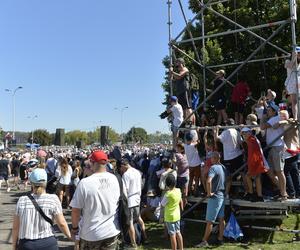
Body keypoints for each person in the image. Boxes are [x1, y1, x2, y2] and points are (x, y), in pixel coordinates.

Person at [70, 150, 120, 250]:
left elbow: (76, 210)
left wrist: (74, 229)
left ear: (92, 163)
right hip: (111, 231)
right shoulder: (115, 179)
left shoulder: (85, 183)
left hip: (91, 234)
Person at [12, 168, 71, 250]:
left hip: (26, 244)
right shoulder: (53, 199)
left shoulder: (22, 200)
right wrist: (70, 237)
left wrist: (14, 244)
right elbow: (62, 223)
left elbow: (16, 227)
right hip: (48, 243)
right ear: (46, 182)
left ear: (31, 183)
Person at [196, 152, 226, 248]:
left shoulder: (213, 168)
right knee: (221, 219)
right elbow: (229, 180)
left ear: (215, 158)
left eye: (211, 158)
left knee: (209, 221)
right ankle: (220, 239)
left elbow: (208, 181)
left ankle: (204, 241)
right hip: (222, 195)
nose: (210, 160)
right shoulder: (223, 168)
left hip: (215, 197)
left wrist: (208, 193)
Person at [260, 103, 288, 201]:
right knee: (269, 171)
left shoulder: (275, 118)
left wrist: (263, 117)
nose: (267, 111)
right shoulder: (274, 119)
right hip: (272, 147)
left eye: (268, 110)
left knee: (279, 171)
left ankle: (284, 194)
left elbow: (262, 127)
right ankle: (283, 190)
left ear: (274, 111)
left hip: (277, 147)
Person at [120, 158, 148, 248]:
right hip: (137, 198)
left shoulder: (126, 175)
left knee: (130, 222)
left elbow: (125, 190)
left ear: (123, 166)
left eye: (121, 168)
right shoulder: (137, 172)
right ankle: (145, 237)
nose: (121, 170)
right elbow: (140, 185)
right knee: (139, 218)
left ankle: (133, 242)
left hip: (130, 199)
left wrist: (124, 201)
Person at [214, 119, 243, 197]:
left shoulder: (225, 132)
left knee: (228, 176)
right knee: (242, 174)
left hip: (229, 157)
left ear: (226, 124)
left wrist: (216, 129)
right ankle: (247, 192)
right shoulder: (236, 132)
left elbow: (217, 139)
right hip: (238, 155)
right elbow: (241, 142)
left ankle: (226, 194)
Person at [241, 128, 269, 202]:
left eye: (245, 133)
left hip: (256, 161)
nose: (244, 135)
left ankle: (252, 193)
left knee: (250, 176)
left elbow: (255, 152)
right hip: (256, 161)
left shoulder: (252, 139)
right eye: (243, 134)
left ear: (249, 133)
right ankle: (258, 195)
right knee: (256, 178)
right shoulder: (253, 139)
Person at [161, 175, 184, 250]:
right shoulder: (178, 190)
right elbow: (181, 201)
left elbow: (162, 205)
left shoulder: (167, 194)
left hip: (169, 217)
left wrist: (161, 216)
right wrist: (182, 209)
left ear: (167, 184)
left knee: (172, 235)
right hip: (177, 215)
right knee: (178, 232)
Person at [169, 58, 195, 124]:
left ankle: (190, 121)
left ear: (182, 64)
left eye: (179, 64)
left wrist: (172, 72)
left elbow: (179, 76)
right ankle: (186, 121)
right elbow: (171, 79)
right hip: (180, 91)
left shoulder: (185, 69)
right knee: (183, 107)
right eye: (177, 66)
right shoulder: (177, 72)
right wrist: (170, 72)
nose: (178, 67)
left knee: (188, 106)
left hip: (185, 90)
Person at [284, 47, 300, 120]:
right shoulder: (287, 61)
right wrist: (294, 57)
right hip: (291, 82)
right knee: (294, 101)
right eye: (298, 53)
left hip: (298, 81)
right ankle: (296, 117)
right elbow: (290, 66)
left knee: (298, 100)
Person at [174, 142, 189, 207]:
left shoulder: (178, 155)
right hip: (185, 176)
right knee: (184, 194)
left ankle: (181, 210)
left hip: (181, 177)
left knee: (180, 194)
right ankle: (183, 208)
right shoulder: (186, 155)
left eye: (178, 148)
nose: (177, 149)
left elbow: (177, 163)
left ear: (182, 149)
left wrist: (172, 160)